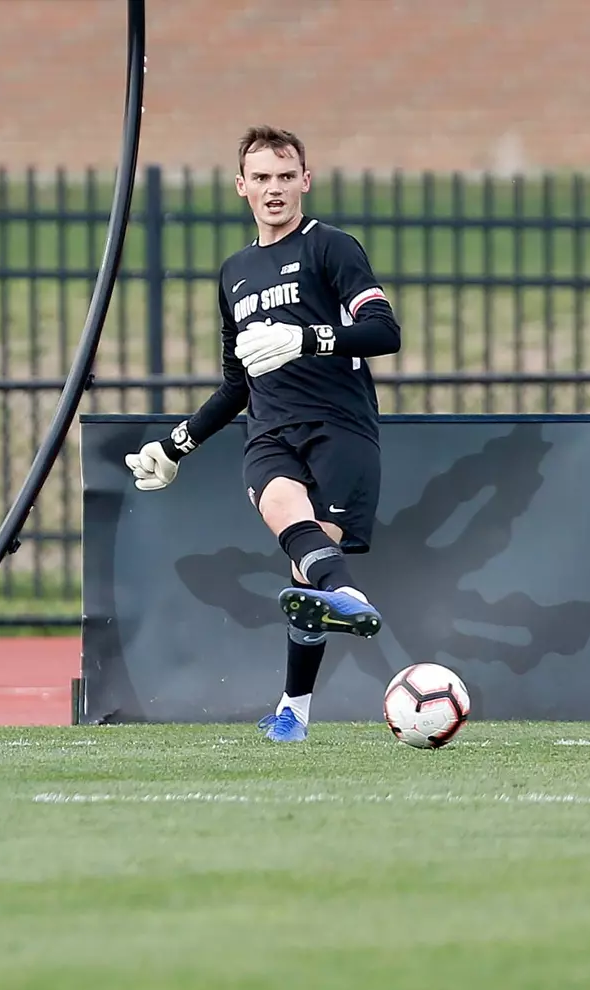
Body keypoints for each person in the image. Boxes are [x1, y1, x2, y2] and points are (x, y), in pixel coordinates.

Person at [124, 125, 401, 744]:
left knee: (308, 583)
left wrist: (308, 337)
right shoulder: (234, 273)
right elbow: (236, 385)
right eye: (262, 179)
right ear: (240, 187)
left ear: (306, 181)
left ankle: (294, 713)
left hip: (341, 429)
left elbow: (385, 332)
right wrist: (175, 446)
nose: (274, 190)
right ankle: (348, 595)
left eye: (285, 177)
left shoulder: (333, 249)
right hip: (270, 432)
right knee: (281, 507)